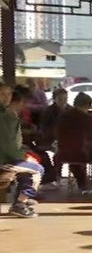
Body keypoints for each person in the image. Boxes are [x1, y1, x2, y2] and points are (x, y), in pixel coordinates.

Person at [0, 84, 44, 217]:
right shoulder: (5, 116)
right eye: (2, 94)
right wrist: (24, 157)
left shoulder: (8, 114)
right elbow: (7, 145)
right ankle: (19, 204)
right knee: (36, 170)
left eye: (9, 94)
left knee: (30, 166)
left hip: (6, 156)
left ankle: (22, 197)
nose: (7, 98)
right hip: (3, 159)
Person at [54, 93, 92, 195]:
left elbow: (57, 134)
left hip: (63, 153)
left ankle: (83, 183)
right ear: (87, 105)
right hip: (84, 154)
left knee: (74, 158)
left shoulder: (63, 116)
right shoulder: (89, 119)